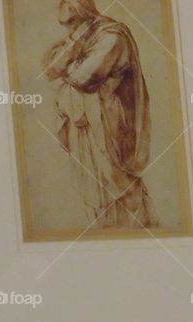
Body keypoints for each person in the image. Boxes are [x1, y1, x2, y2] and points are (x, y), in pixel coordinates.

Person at [43, 0, 155, 229]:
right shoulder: (83, 38)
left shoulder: (112, 37)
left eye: (72, 22)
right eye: (66, 26)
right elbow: (52, 68)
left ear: (81, 13)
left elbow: (83, 78)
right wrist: (75, 45)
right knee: (95, 188)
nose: (69, 30)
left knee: (117, 186)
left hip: (110, 124)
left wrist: (71, 61)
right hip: (88, 123)